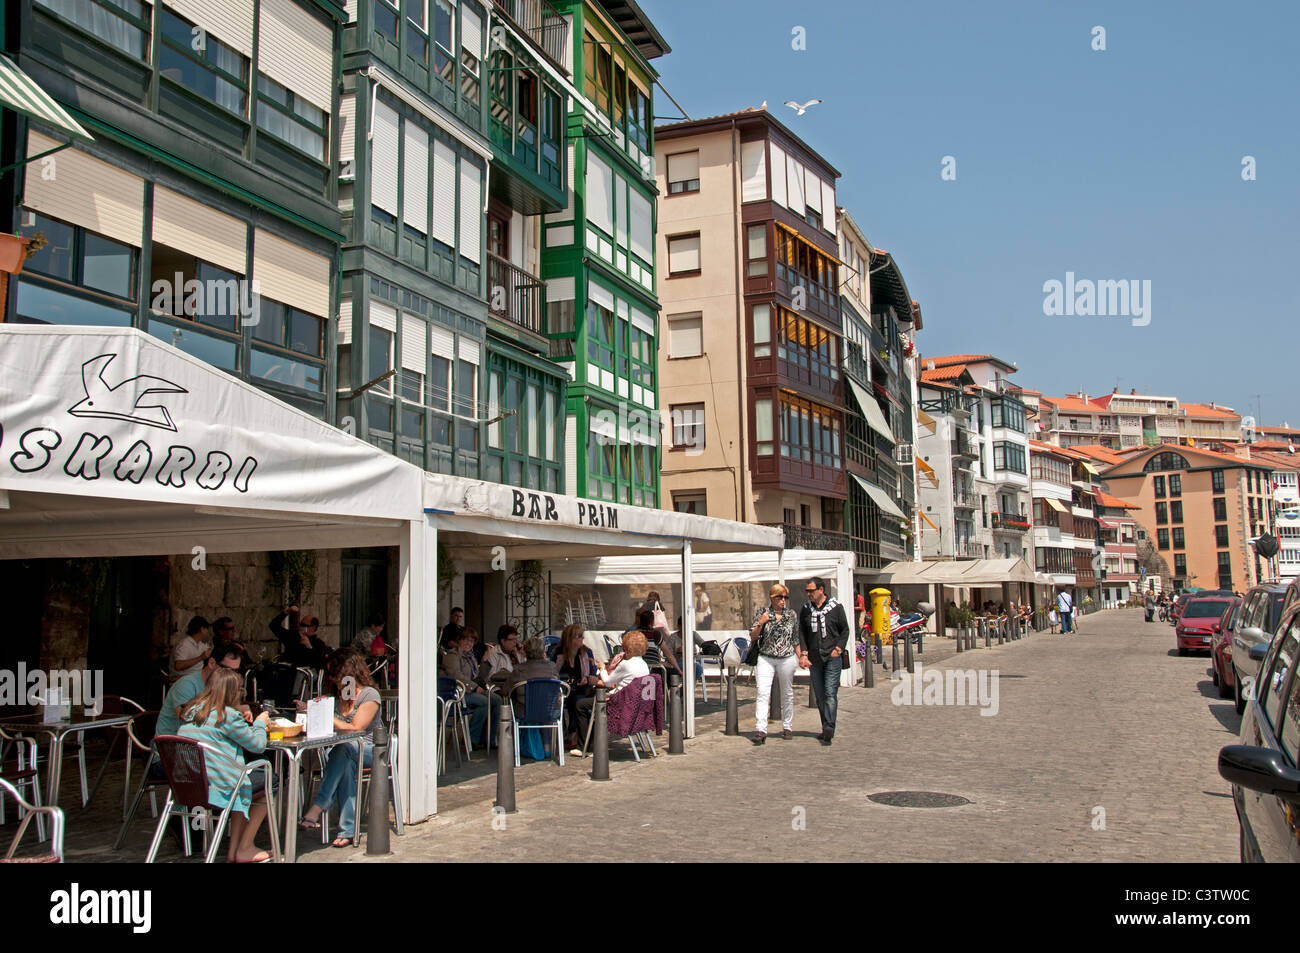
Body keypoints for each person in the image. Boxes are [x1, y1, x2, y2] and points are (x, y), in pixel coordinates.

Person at [176, 668, 274, 862]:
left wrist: (239, 711)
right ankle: (244, 847)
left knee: (241, 779)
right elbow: (257, 745)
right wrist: (260, 722)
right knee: (269, 780)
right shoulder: (227, 716)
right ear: (233, 691)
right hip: (219, 785)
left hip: (188, 786)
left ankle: (235, 850)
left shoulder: (191, 711)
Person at [296, 651, 383, 848]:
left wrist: (324, 715)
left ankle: (319, 805)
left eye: (336, 675)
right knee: (345, 762)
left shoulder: (370, 695)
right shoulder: (342, 695)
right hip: (344, 753)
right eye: (331, 676)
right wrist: (309, 711)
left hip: (371, 749)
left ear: (349, 674)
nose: (333, 680)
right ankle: (348, 831)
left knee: (344, 749)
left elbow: (356, 729)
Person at [797, 577, 850, 746]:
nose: (809, 594)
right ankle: (825, 726)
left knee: (829, 692)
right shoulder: (806, 610)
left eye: (811, 591)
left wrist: (838, 649)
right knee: (820, 696)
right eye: (807, 591)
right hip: (815, 658)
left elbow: (845, 630)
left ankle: (829, 727)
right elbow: (802, 633)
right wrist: (803, 654)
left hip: (832, 657)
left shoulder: (836, 608)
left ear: (821, 590)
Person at [748, 583, 799, 745]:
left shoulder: (791, 615)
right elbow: (753, 636)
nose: (783, 600)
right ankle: (761, 729)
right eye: (780, 597)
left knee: (787, 693)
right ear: (772, 598)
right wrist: (761, 622)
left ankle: (787, 726)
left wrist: (802, 656)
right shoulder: (763, 613)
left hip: (786, 657)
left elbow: (795, 638)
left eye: (785, 597)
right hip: (766, 657)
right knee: (763, 692)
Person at [441, 629, 500, 747]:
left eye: (472, 641)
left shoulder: (470, 657)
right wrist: (474, 687)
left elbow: (478, 677)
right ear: (460, 640)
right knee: (484, 702)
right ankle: (472, 738)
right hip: (458, 693)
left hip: (470, 690)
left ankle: (489, 738)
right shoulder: (452, 656)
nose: (469, 644)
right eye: (466, 640)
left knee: (497, 700)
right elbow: (456, 675)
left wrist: (484, 661)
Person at [555, 624, 600, 751]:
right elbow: (553, 673)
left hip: (582, 688)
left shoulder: (586, 652)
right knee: (560, 701)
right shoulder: (558, 653)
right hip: (562, 689)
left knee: (578, 701)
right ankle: (562, 733)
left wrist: (588, 678)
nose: (582, 639)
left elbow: (593, 672)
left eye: (582, 636)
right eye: (578, 636)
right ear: (569, 638)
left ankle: (573, 733)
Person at [503, 637, 560, 712]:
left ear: (525, 652)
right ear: (543, 652)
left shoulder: (519, 670)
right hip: (549, 711)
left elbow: (505, 691)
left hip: (525, 712)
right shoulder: (552, 667)